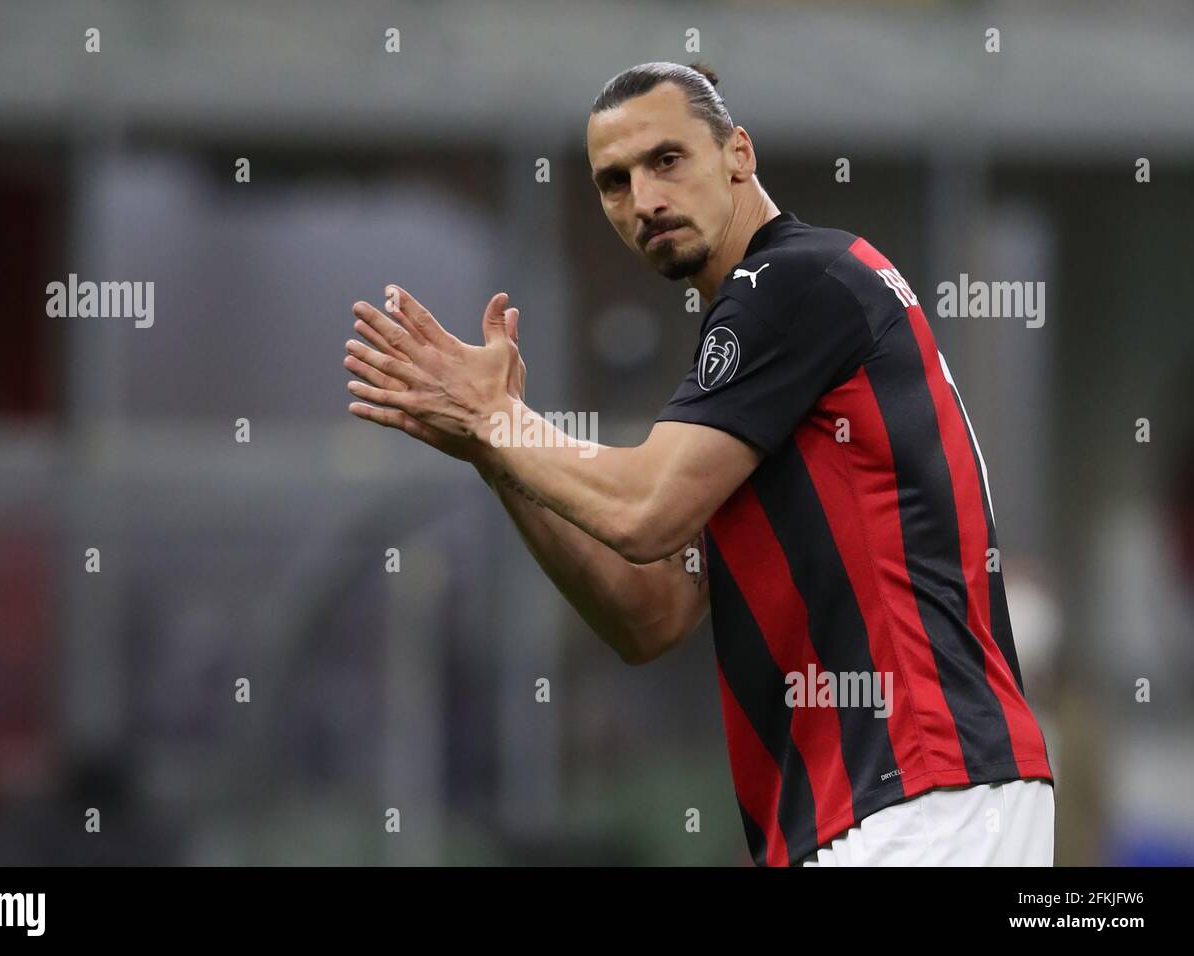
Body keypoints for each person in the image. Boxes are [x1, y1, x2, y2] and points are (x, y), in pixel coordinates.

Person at [342, 61, 1054, 867]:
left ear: (738, 154)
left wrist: (500, 420)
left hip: (921, 788)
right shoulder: (771, 334)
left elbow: (643, 511)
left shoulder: (791, 280)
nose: (643, 201)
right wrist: (493, 452)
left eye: (666, 161)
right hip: (877, 805)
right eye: (614, 182)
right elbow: (649, 615)